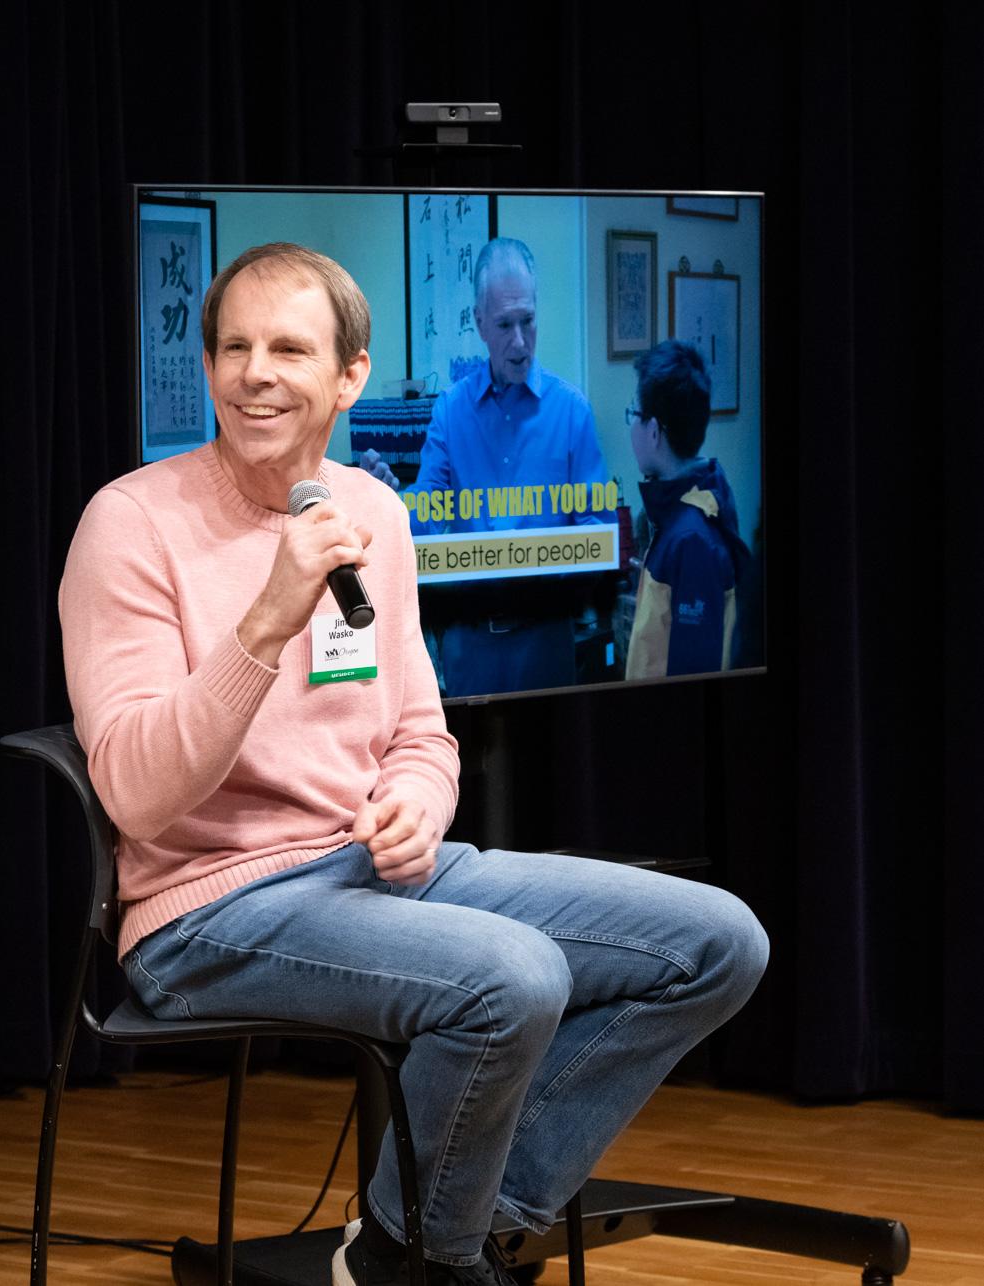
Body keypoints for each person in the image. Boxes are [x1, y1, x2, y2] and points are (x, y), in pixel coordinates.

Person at [60, 242, 768, 1285]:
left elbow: (422, 732)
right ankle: (435, 1253)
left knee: (721, 941)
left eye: (289, 348)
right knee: (514, 975)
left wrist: (414, 796)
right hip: (209, 907)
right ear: (208, 367)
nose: (255, 372)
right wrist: (265, 617)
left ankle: (422, 1233)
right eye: (235, 348)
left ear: (349, 374)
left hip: (373, 868)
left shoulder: (375, 516)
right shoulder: (129, 524)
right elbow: (131, 788)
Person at [360, 238, 610, 697]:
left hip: (545, 643)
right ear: (479, 323)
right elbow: (427, 518)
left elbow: (597, 532)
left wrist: (532, 570)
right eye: (505, 324)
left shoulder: (572, 411)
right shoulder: (451, 412)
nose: (519, 341)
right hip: (468, 644)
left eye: (528, 321)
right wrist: (390, 499)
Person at [624, 339, 751, 678]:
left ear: (653, 432)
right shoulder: (678, 512)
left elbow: (690, 682)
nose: (631, 426)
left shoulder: (693, 541)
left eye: (634, 414)